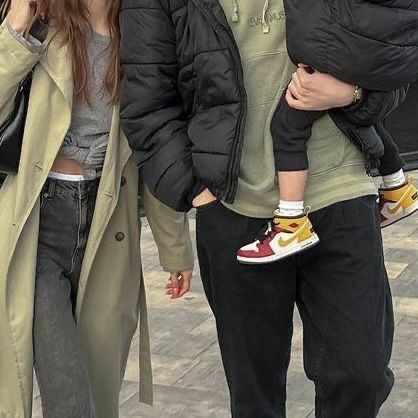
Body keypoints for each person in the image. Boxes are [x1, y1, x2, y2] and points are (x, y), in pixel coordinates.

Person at [120, 1, 397, 417]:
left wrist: (355, 94)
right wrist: (196, 190)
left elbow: (393, 47)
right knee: (255, 395)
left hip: (340, 191)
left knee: (362, 374)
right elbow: (146, 101)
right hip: (236, 209)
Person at [0, 1, 194, 417]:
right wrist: (15, 28)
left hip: (107, 226)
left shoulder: (141, 31)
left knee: (98, 388)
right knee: (69, 395)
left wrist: (174, 247)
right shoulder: (42, 16)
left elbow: (154, 147)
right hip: (38, 225)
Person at [237, 0, 418, 264]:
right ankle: (397, 187)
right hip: (362, 53)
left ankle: (291, 223)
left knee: (287, 127)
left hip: (335, 55)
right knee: (358, 118)